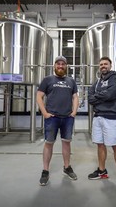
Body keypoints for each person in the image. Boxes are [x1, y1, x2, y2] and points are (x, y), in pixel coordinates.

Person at [87, 56, 116, 194]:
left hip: (111, 117)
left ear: (110, 66)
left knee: (115, 146)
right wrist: (99, 96)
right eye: (101, 64)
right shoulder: (97, 81)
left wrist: (97, 96)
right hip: (98, 117)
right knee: (100, 144)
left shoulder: (115, 79)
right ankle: (101, 171)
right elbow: (90, 97)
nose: (103, 66)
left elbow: (110, 95)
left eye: (105, 64)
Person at [37, 55, 79, 186]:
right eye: (58, 64)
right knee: (49, 143)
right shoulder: (47, 80)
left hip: (67, 118)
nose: (60, 66)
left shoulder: (71, 81)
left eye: (63, 64)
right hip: (52, 118)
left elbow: (75, 97)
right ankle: (45, 171)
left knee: (66, 143)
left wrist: (74, 112)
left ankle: (67, 167)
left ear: (66, 66)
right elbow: (39, 96)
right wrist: (44, 113)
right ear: (54, 66)